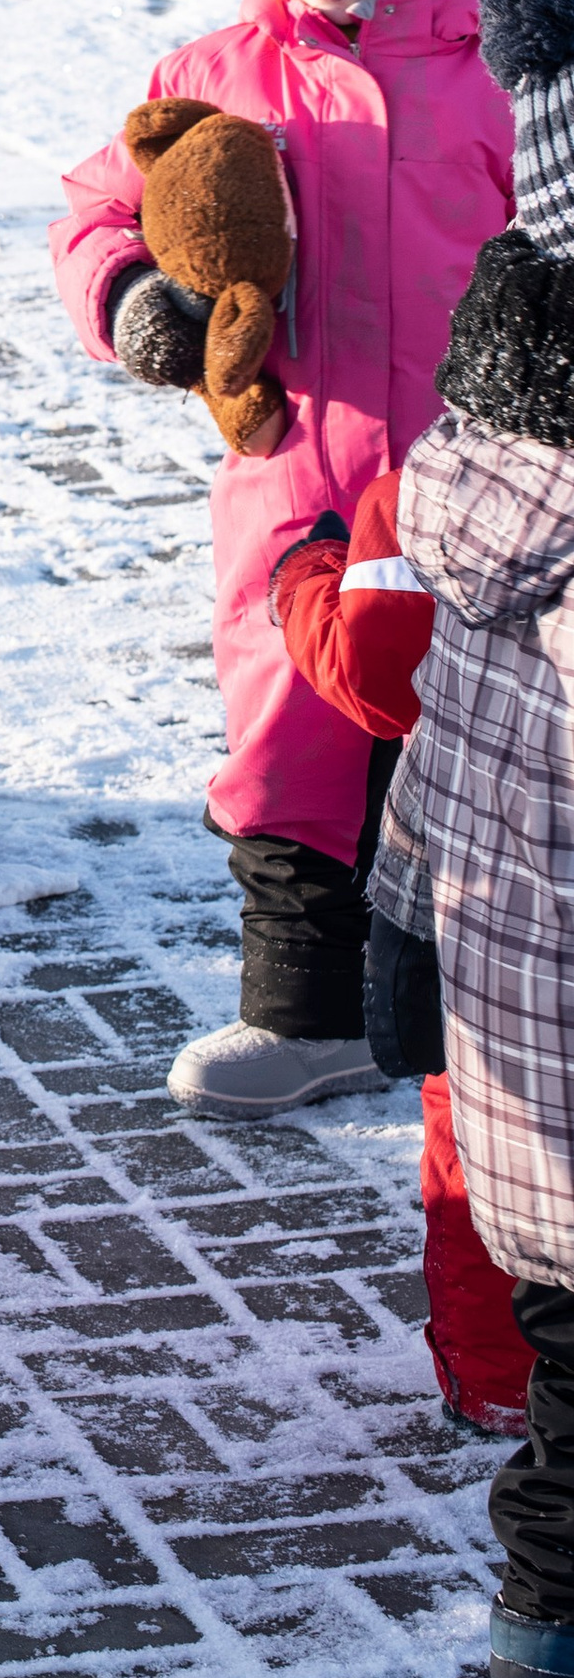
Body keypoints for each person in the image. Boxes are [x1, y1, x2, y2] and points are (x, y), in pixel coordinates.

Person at [51, 0, 518, 1117]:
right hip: (293, 484)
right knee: (291, 742)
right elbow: (102, 206)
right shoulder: (219, 71)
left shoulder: (504, 73)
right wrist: (135, 297)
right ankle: (306, 1011)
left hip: (482, 486)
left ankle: (492, 1011)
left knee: (487, 743)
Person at [335, 0, 574, 1678]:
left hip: (528, 1123)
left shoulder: (488, 483)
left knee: (568, 1453)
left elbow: (437, 770)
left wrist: (399, 949)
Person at [270, 483, 531, 1439]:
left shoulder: (428, 495)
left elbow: (378, 680)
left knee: (483, 1134)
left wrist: (306, 577)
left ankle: (505, 1380)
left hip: (486, 886)